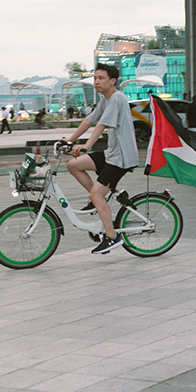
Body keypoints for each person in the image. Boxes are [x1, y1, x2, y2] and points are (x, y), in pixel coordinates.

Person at [64, 64, 139, 254]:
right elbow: (89, 120)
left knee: (95, 195)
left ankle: (112, 237)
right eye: (95, 78)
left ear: (112, 81)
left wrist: (86, 145)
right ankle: (99, 200)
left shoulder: (117, 98)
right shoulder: (105, 100)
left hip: (121, 158)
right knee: (73, 165)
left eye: (101, 78)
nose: (96, 81)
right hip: (111, 154)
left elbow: (102, 125)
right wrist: (69, 140)